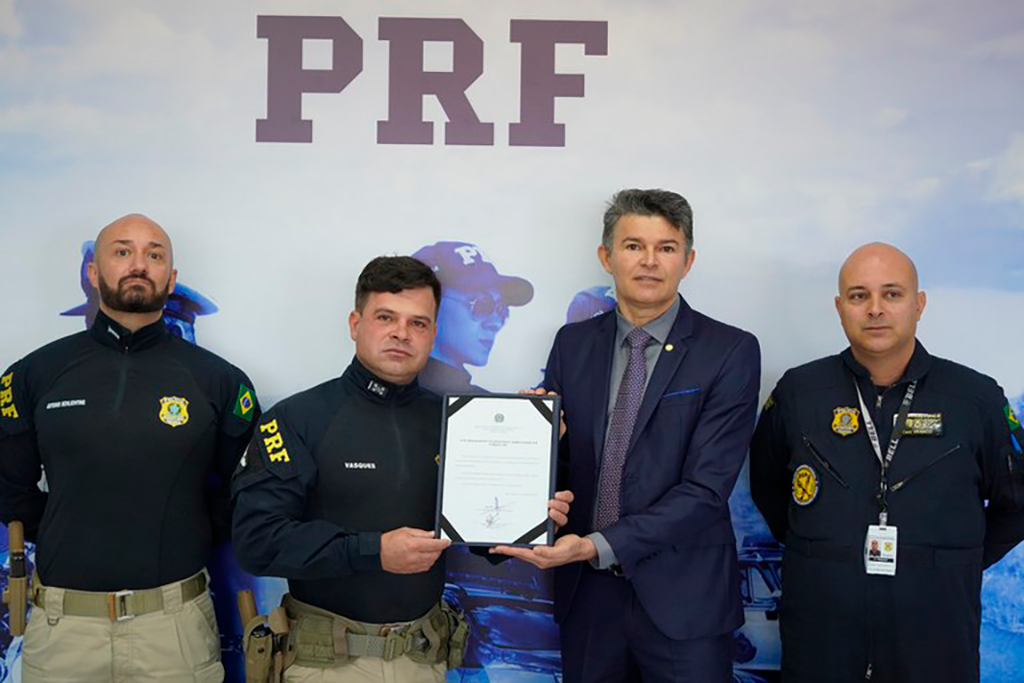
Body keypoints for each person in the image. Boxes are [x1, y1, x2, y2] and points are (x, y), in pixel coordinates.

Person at [231, 256, 571, 683]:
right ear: (355, 324)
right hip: (325, 664)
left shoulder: (458, 421)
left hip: (423, 660)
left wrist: (530, 498)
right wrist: (372, 551)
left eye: (419, 323)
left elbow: (479, 527)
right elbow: (256, 542)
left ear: (432, 334)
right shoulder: (296, 418)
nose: (401, 333)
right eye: (386, 317)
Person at [494, 189, 762, 682]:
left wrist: (595, 544)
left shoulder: (730, 351)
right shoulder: (572, 344)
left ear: (688, 260)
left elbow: (705, 492)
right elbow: (563, 466)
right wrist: (527, 449)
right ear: (606, 257)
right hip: (589, 598)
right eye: (634, 245)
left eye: (666, 247)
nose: (649, 261)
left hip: (685, 600)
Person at [0, 213, 260, 682]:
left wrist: (188, 529)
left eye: (154, 254)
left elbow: (249, 489)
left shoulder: (219, 381)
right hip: (65, 630)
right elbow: (8, 486)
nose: (139, 264)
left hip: (174, 628)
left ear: (171, 277)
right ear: (94, 274)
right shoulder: (33, 374)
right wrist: (72, 527)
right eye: (122, 252)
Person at [749, 242, 1024, 683]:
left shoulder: (976, 398)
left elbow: (1018, 502)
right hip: (822, 636)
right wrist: (830, 555)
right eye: (859, 296)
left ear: (919, 305)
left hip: (936, 635)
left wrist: (954, 560)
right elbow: (768, 487)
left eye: (892, 294)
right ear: (840, 307)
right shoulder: (800, 393)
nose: (875, 308)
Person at [412, 241, 533, 394]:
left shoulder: (488, 408)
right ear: (428, 306)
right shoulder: (392, 393)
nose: (495, 323)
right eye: (482, 305)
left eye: (501, 310)